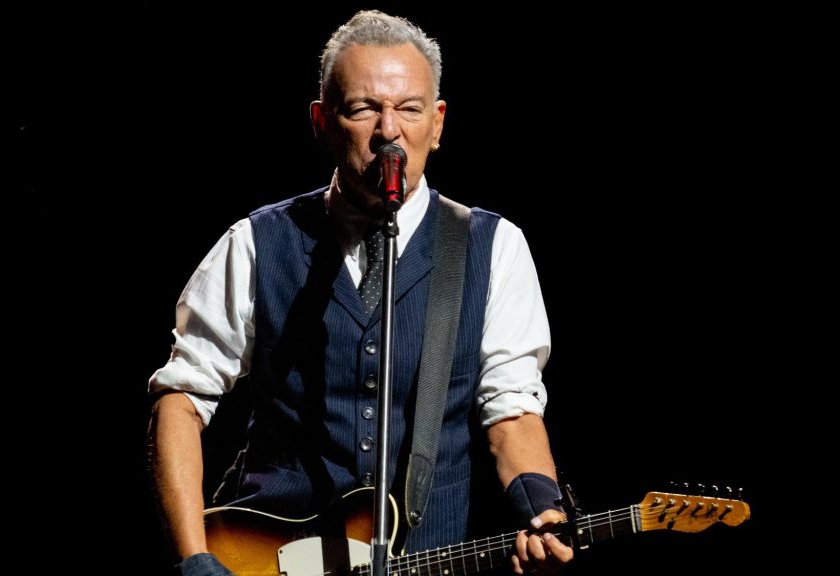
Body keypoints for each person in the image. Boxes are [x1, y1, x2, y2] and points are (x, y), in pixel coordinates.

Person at [148, 10, 573, 576]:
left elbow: (512, 411)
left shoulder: (492, 248)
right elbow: (179, 401)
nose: (389, 130)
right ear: (323, 121)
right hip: (263, 561)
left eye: (409, 109)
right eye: (364, 109)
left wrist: (541, 508)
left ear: (438, 123)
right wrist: (194, 556)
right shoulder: (257, 242)